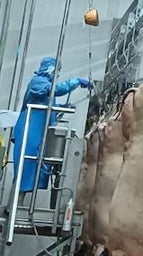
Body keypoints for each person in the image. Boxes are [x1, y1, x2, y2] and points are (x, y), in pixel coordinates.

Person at [11, 57, 92, 192]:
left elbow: (47, 104)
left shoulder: (46, 85)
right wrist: (75, 82)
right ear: (50, 69)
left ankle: (19, 203)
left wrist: (61, 107)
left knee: (36, 166)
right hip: (30, 129)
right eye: (57, 70)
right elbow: (50, 90)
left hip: (41, 132)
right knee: (26, 166)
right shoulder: (37, 82)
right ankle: (13, 205)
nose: (57, 73)